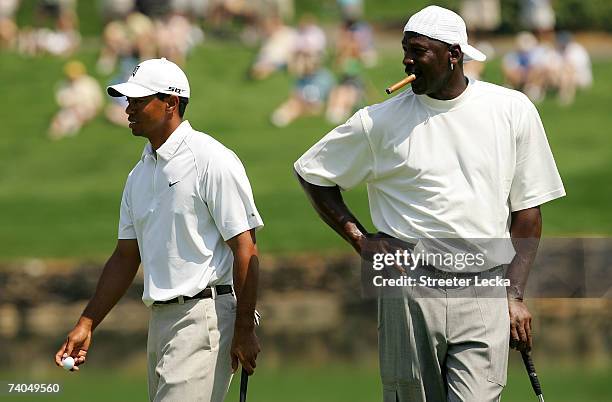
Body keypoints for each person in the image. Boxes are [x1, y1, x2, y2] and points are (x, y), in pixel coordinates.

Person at [294, 5, 565, 402]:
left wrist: (514, 295)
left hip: (485, 284)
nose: (406, 60)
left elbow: (528, 212)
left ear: (453, 54)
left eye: (417, 51)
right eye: (405, 50)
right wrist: (361, 240)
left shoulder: (512, 110)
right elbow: (311, 172)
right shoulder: (377, 122)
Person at [55, 57, 263, 402]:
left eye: (138, 100)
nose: (128, 109)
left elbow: (245, 247)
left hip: (205, 318)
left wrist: (244, 327)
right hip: (161, 322)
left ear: (171, 103)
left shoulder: (210, 158)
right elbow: (125, 256)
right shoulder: (138, 174)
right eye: (127, 101)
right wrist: (87, 322)